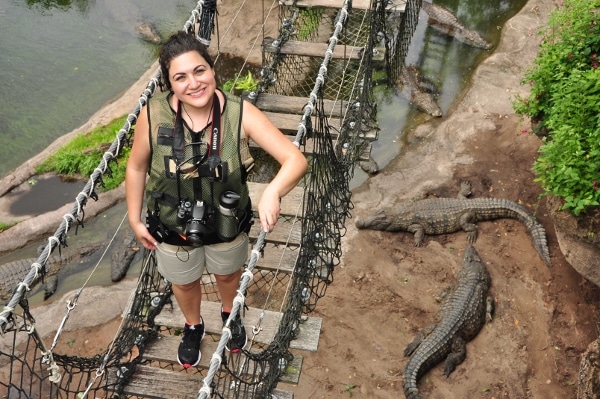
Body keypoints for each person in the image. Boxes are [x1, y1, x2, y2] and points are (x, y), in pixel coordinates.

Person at [125, 30, 308, 368]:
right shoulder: (151, 116)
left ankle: (229, 313)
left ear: (213, 70)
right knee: (184, 281)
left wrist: (272, 191)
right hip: (171, 225)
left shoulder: (242, 114)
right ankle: (193, 325)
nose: (193, 83)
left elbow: (296, 160)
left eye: (199, 71)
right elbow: (136, 167)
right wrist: (135, 218)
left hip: (227, 223)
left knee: (227, 275)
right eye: (180, 77)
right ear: (168, 84)